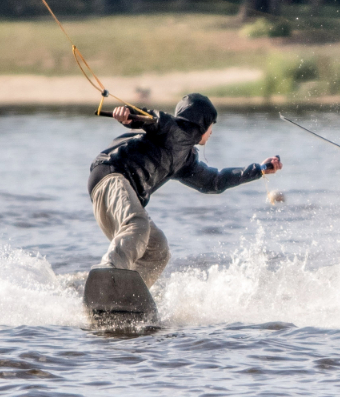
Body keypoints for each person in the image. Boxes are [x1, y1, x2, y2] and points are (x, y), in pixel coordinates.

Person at [88, 93, 282, 288]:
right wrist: (127, 115)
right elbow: (148, 119)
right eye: (211, 126)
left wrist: (259, 169)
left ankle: (127, 295)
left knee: (157, 249)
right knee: (138, 224)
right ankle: (109, 275)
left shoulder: (185, 161)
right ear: (202, 123)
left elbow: (215, 181)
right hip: (111, 175)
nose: (212, 132)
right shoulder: (169, 127)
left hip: (119, 191)